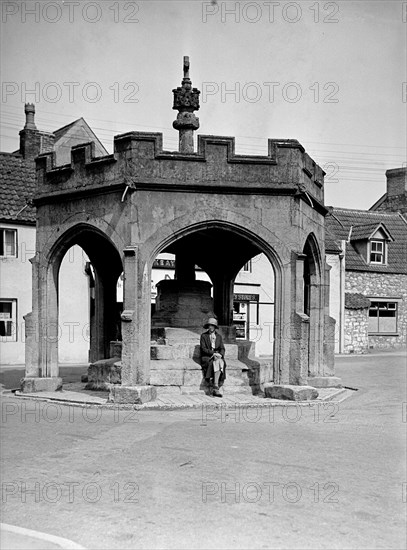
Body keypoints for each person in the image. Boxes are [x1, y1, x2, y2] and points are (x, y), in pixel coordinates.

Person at [200, 317, 226, 397]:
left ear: (215, 327)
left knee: (219, 361)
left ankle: (215, 386)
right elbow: (203, 349)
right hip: (207, 356)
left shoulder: (219, 337)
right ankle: (215, 387)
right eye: (209, 326)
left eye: (212, 326)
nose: (211, 327)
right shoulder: (204, 336)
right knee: (214, 362)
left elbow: (222, 348)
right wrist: (213, 353)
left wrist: (220, 355)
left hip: (217, 356)